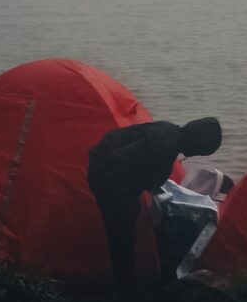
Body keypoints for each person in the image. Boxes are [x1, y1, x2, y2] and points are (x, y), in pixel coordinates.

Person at [87, 117, 222, 285]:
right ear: (197, 142)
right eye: (202, 150)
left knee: (126, 225)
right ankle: (124, 283)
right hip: (105, 172)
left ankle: (124, 277)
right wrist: (127, 193)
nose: (196, 154)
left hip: (108, 168)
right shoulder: (164, 144)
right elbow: (119, 160)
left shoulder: (170, 133)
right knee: (122, 228)